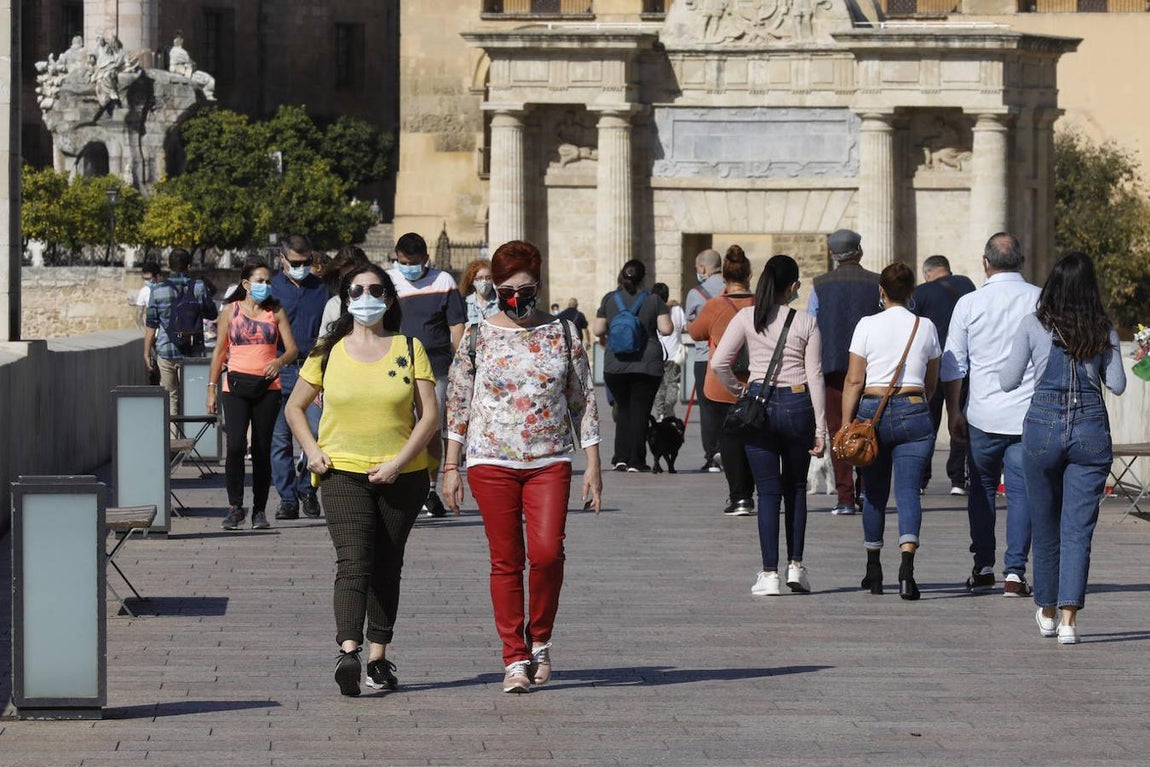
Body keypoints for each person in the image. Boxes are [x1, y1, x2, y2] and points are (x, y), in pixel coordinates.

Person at [442, 240, 601, 693]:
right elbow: (458, 401)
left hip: (549, 458)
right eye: (507, 290)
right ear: (495, 289)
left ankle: (541, 639)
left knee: (547, 553)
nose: (516, 297)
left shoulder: (563, 333)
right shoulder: (477, 337)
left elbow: (582, 399)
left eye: (525, 289)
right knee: (506, 559)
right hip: (490, 459)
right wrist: (450, 466)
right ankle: (514, 655)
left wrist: (593, 464)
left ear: (539, 286)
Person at [286, 263, 439, 696]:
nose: (366, 297)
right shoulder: (327, 351)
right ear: (346, 299)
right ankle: (348, 652)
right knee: (354, 560)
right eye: (357, 290)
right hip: (341, 473)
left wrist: (398, 463)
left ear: (388, 298)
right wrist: (312, 450)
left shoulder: (409, 347)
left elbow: (429, 416)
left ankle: (377, 658)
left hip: (402, 476)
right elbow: (295, 407)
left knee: (387, 564)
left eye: (375, 289)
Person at [1000, 252, 1126, 644]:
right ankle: (1070, 621)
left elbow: (1007, 380)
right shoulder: (1102, 328)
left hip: (1043, 429)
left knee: (1045, 525)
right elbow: (1117, 384)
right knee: (1078, 529)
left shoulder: (1033, 324)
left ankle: (1048, 610)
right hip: (1090, 430)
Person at [712, 255, 826, 596]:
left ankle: (769, 573)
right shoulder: (806, 322)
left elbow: (719, 363)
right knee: (796, 488)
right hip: (797, 403)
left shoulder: (747, 317)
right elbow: (815, 376)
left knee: (767, 492)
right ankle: (796, 566)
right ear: (793, 286)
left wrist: (741, 391)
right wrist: (821, 428)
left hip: (759, 405)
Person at [942, 232, 1041, 596]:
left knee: (981, 490)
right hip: (1027, 414)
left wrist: (954, 410)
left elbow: (954, 364)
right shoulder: (1040, 299)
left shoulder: (969, 304)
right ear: (1022, 261)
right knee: (1021, 493)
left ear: (985, 263)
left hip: (982, 414)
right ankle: (1014, 572)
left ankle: (983, 565)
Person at [841, 263, 941, 600]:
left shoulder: (866, 325)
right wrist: (918, 402)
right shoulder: (925, 326)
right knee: (909, 492)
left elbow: (854, 379)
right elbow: (931, 380)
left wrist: (846, 423)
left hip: (873, 410)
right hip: (914, 407)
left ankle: (873, 568)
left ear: (881, 291)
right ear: (912, 291)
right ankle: (907, 570)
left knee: (874, 492)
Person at [207, 260, 299, 531]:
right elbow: (219, 351)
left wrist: (279, 362)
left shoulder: (275, 311)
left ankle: (259, 510)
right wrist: (211, 388)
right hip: (235, 387)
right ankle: (235, 507)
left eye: (268, 281)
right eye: (260, 281)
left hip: (267, 388)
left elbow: (292, 349)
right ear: (246, 284)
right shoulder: (230, 311)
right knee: (235, 446)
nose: (265, 286)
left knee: (261, 449)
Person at [388, 232, 467, 517]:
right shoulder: (389, 281)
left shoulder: (443, 281)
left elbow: (456, 326)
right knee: (397, 425)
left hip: (436, 367)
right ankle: (399, 483)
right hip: (395, 367)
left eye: (413, 262)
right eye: (403, 262)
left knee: (431, 427)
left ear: (426, 259)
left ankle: (429, 489)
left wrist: (461, 365)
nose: (408, 267)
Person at [808, 229, 880, 515]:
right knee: (868, 430)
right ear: (859, 251)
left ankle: (845, 497)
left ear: (832, 255)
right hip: (871, 369)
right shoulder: (876, 282)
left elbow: (812, 326)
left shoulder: (820, 285)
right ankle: (866, 490)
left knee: (839, 430)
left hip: (833, 368)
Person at [687, 245, 756, 515]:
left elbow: (695, 332)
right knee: (755, 439)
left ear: (724, 277)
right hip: (755, 381)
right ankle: (754, 490)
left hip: (721, 383)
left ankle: (739, 497)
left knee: (728, 439)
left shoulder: (715, 305)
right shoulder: (760, 303)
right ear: (749, 275)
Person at [593, 259, 673, 472]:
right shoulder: (654, 299)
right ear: (644, 278)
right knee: (640, 411)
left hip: (616, 364)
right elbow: (666, 329)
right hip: (646, 364)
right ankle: (636, 460)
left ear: (621, 276)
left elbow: (598, 329)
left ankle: (620, 457)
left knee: (623, 410)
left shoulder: (610, 298)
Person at [270, 234, 329, 521]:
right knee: (280, 439)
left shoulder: (321, 289)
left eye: (306, 262)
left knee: (315, 435)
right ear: (282, 259)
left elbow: (328, 331)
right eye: (295, 263)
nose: (301, 267)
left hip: (312, 369)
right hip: (281, 370)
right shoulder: (271, 289)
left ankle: (307, 488)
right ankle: (287, 499)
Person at [913, 255, 976, 495]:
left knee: (927, 422)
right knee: (959, 419)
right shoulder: (966, 285)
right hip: (962, 365)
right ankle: (958, 479)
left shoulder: (921, 293)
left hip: (932, 367)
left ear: (928, 273)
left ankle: (921, 478)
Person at [144, 248, 219, 418]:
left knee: (170, 398)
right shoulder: (199, 287)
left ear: (168, 265)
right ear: (189, 266)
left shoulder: (157, 290)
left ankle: (172, 434)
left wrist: (147, 353)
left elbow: (151, 324)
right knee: (192, 397)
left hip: (166, 351)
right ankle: (192, 433)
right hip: (192, 351)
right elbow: (212, 314)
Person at [684, 248, 726, 472]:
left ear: (702, 268)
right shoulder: (735, 290)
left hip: (705, 357)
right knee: (731, 406)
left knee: (708, 408)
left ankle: (713, 455)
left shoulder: (696, 294)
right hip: (733, 358)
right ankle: (732, 453)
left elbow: (691, 327)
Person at [651, 283, 686, 421]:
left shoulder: (651, 309)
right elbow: (684, 327)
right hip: (673, 354)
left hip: (656, 354)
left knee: (659, 385)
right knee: (672, 383)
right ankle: (669, 408)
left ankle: (660, 412)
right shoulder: (677, 309)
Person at [319, 246, 371, 335]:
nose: (351, 282)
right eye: (345, 278)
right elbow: (323, 340)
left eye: (355, 276)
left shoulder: (377, 302)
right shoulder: (334, 304)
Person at [459, 258, 498, 327]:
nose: (484, 282)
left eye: (488, 278)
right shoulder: (464, 303)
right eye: (480, 278)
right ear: (472, 280)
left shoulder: (499, 303)